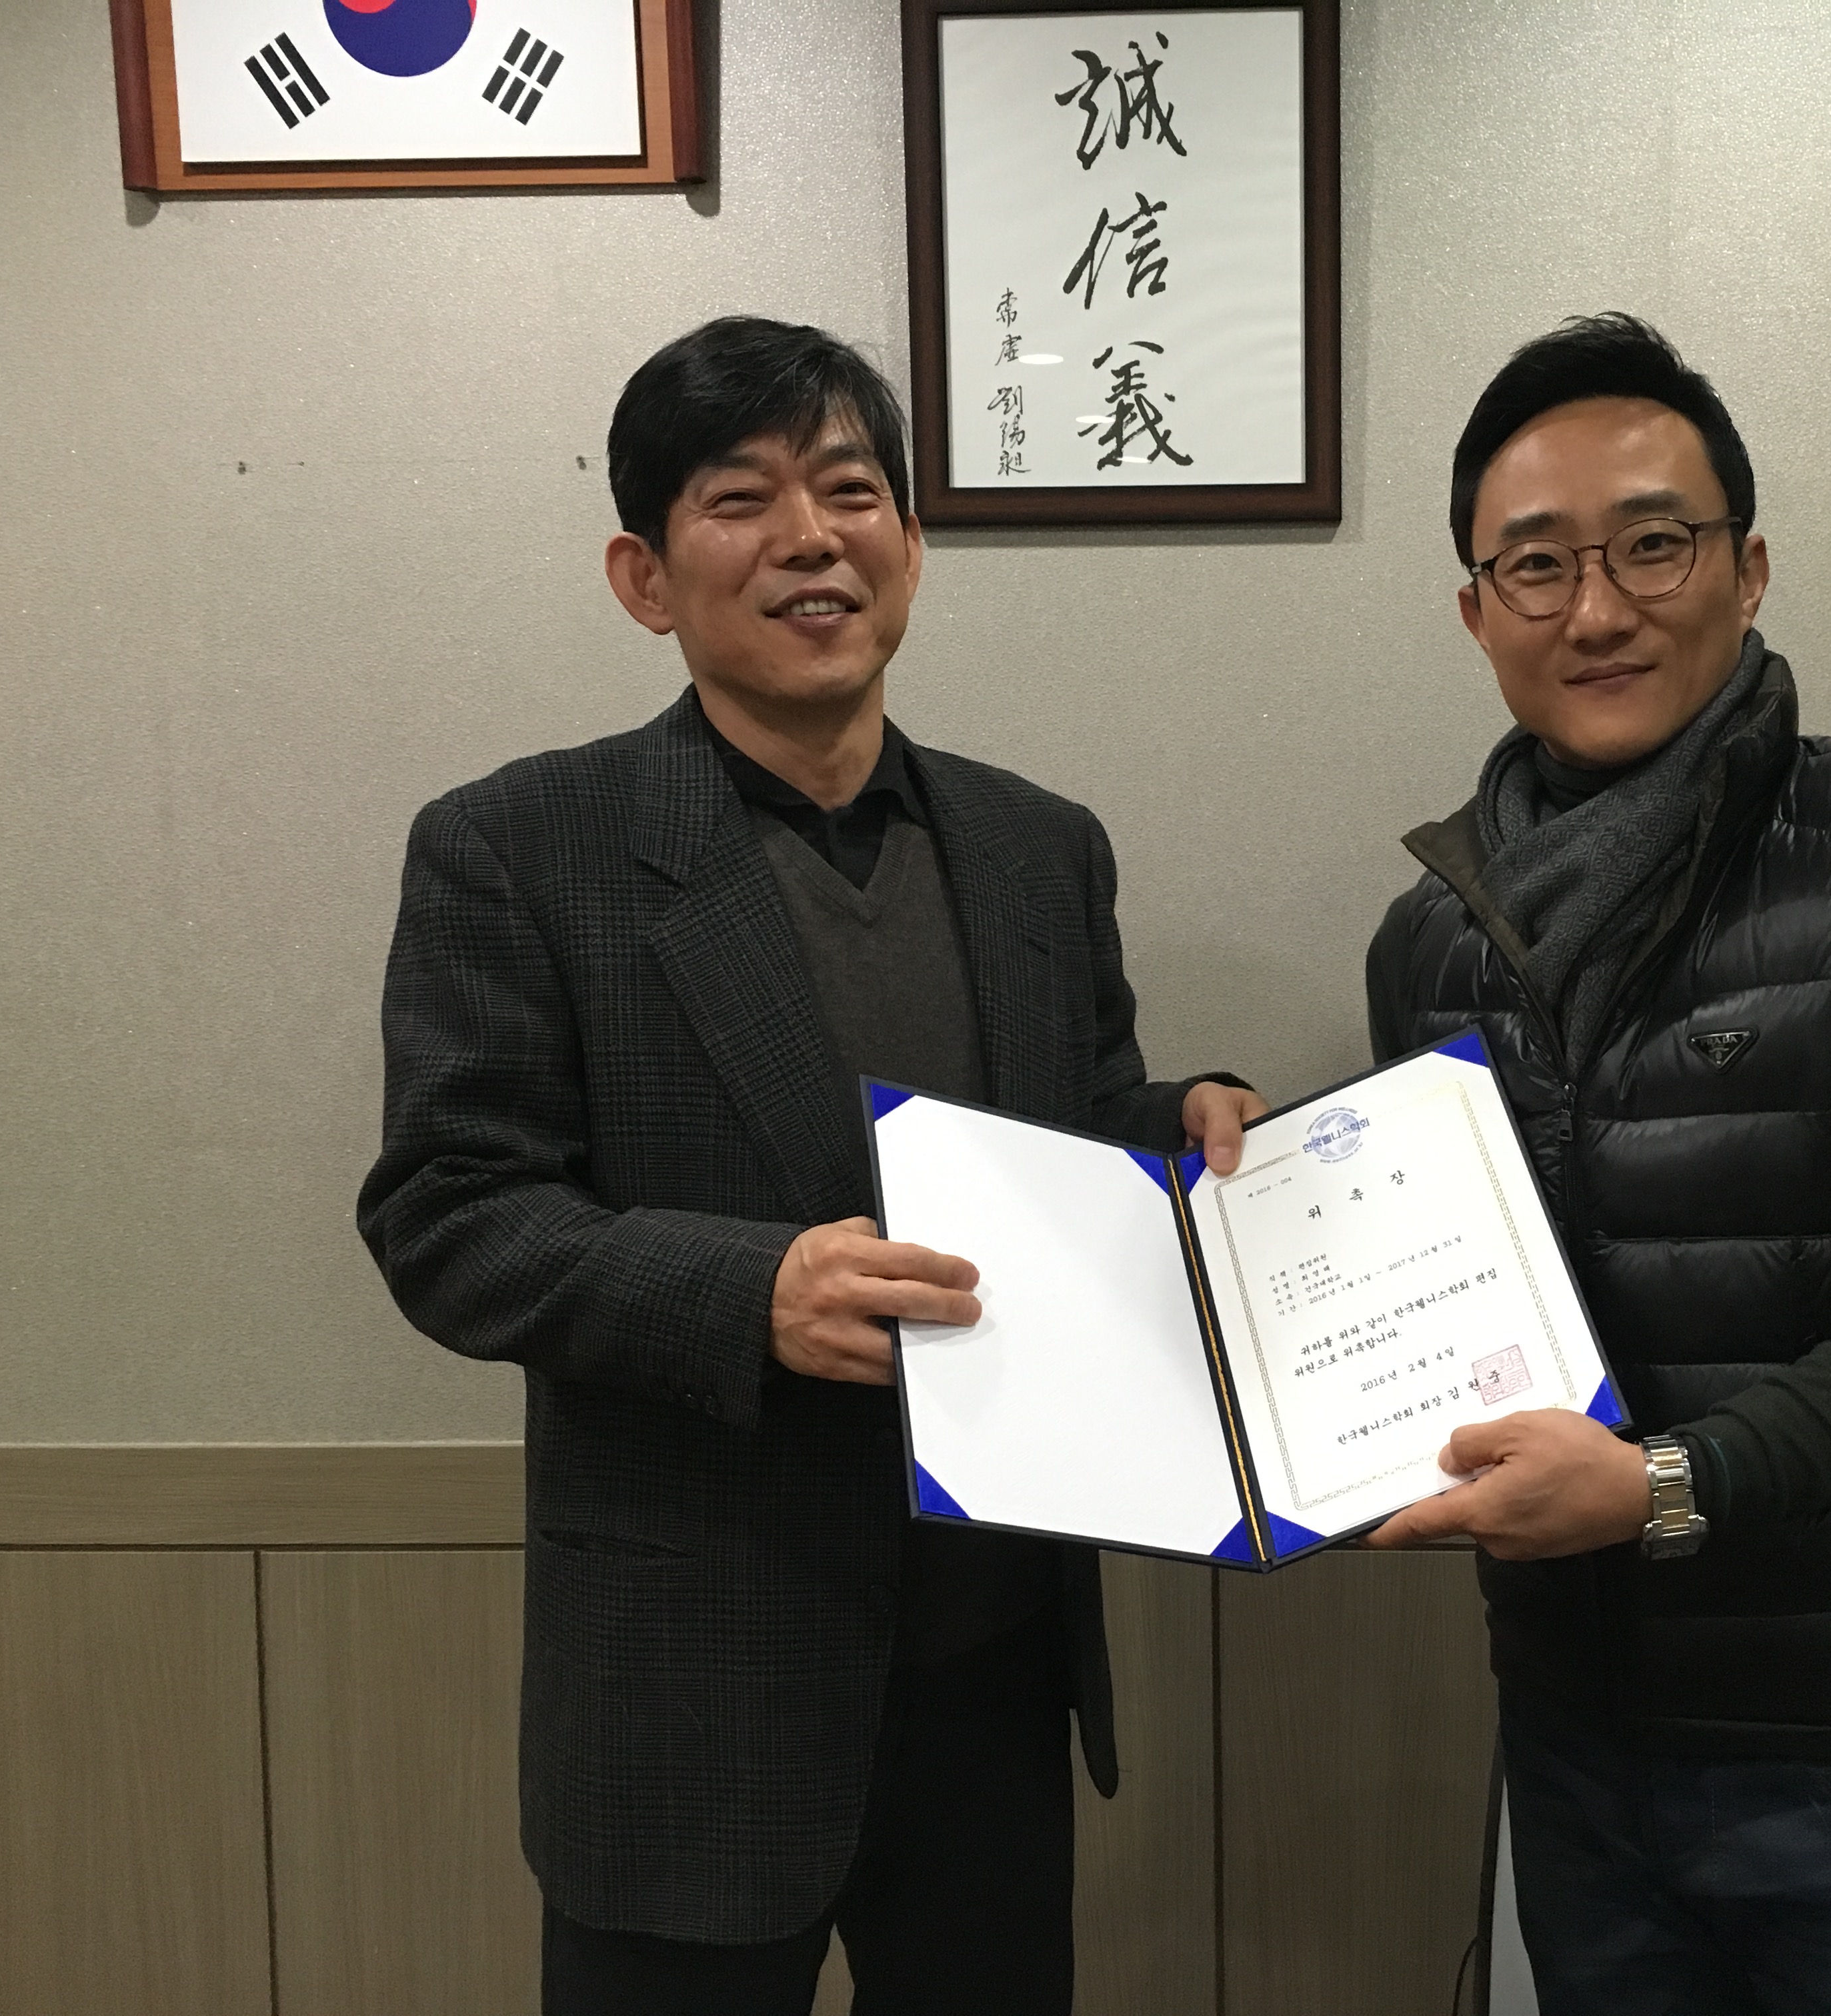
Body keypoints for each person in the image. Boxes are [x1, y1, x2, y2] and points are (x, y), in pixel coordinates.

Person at [356, 315, 1262, 2015]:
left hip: (994, 1673)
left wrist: (1184, 1123)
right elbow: (451, 1216)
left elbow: (1070, 1130)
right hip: (692, 1695)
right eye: (740, 498)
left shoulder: (1038, 848)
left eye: (851, 491)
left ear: (911, 544)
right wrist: (747, 1293)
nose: (809, 537)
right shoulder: (519, 847)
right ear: (643, 576)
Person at [1363, 313, 1831, 2015]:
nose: (1597, 609)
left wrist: (1666, 1486)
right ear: (1477, 612)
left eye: (1653, 544)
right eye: (1536, 564)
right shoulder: (1431, 942)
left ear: (1749, 568)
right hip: (1582, 1739)